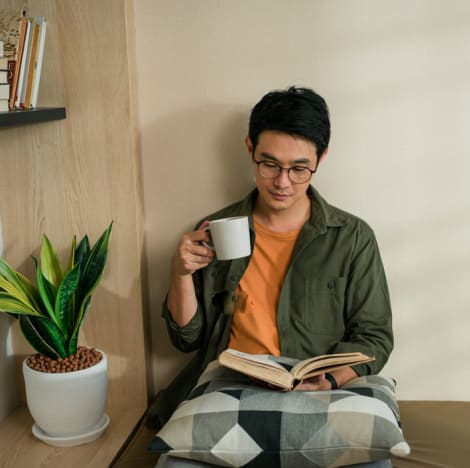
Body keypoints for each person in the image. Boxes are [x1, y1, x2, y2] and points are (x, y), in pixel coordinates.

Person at [147, 86, 394, 432]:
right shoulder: (213, 231)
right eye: (269, 164)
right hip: (232, 385)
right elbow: (186, 340)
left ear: (320, 159)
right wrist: (180, 273)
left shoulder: (353, 238)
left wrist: (330, 381)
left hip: (322, 392)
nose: (282, 182)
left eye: (298, 169)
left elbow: (375, 337)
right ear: (250, 149)